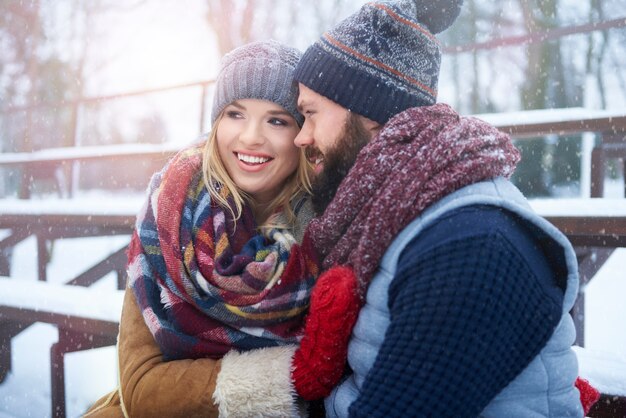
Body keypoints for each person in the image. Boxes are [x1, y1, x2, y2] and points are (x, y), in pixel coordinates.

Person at [197, 1, 599, 417]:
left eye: (310, 114)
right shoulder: (392, 215)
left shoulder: (471, 245)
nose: (303, 137)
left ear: (368, 112)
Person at [85, 40, 360, 418]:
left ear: (302, 136)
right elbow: (141, 390)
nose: (250, 137)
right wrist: (293, 375)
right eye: (235, 114)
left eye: (277, 120)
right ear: (216, 124)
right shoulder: (170, 211)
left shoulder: (330, 230)